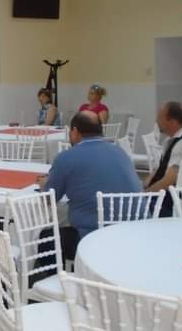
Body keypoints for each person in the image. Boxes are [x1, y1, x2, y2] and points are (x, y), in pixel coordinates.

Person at [37, 111, 142, 261]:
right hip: (134, 233)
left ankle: (62, 275)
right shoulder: (120, 152)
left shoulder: (67, 157)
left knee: (46, 238)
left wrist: (44, 185)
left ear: (75, 132)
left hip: (94, 238)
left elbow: (49, 198)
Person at [145, 102, 182, 216]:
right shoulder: (172, 139)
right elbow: (158, 170)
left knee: (128, 207)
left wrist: (145, 194)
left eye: (160, 118)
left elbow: (169, 181)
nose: (157, 122)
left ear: (172, 122)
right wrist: (142, 186)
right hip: (163, 198)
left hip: (172, 205)